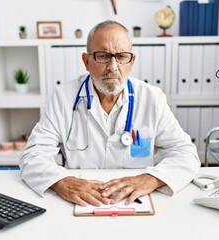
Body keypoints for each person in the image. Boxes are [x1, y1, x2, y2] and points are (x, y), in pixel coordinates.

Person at [19, 20, 200, 207]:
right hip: (81, 201)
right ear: (86, 61)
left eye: (121, 56)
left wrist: (151, 178)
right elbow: (33, 155)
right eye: (104, 56)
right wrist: (61, 181)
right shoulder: (63, 97)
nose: (113, 66)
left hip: (136, 201)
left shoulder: (152, 98)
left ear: (131, 61)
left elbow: (186, 154)